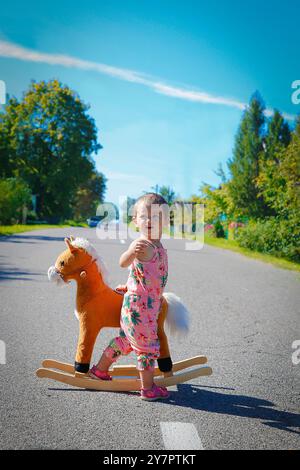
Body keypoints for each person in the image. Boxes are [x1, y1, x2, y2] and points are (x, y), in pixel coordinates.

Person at [89, 193, 170, 401]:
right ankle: (147, 388)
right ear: (135, 221)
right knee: (147, 347)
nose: (150, 221)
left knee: (126, 340)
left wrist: (130, 284)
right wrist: (131, 252)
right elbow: (123, 263)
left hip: (144, 305)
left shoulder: (159, 246)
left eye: (157, 217)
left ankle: (100, 370)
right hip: (139, 307)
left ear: (166, 221)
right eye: (144, 217)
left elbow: (144, 274)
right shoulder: (141, 245)